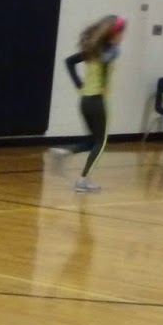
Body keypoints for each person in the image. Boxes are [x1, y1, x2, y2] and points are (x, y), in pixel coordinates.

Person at [47, 15, 126, 194]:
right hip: (97, 100)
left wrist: (78, 84)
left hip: (84, 100)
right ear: (115, 33)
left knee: (92, 140)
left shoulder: (93, 50)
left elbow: (69, 62)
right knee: (101, 141)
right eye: (121, 32)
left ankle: (65, 151)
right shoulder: (111, 51)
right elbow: (107, 60)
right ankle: (83, 180)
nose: (123, 37)